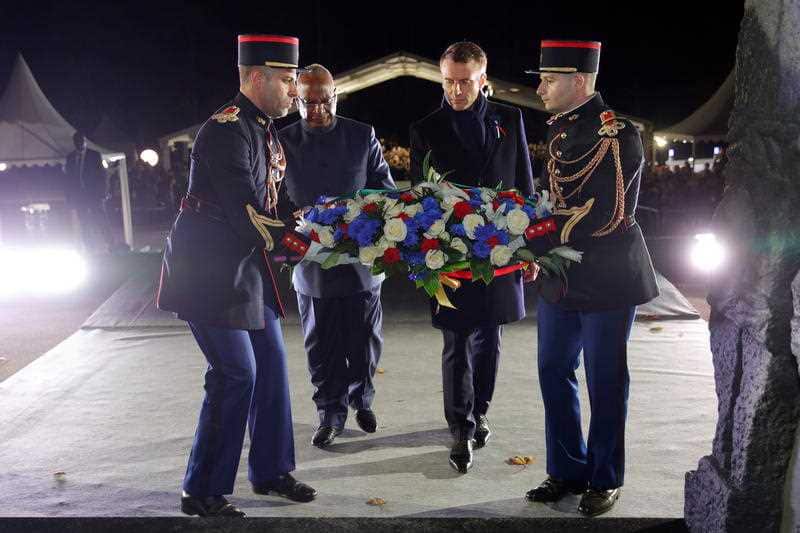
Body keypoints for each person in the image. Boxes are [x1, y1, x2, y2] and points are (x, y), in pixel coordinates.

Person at [156, 34, 316, 518]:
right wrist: (305, 242)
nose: (295, 91)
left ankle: (270, 471)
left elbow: (279, 202)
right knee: (234, 373)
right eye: (287, 81)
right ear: (256, 77)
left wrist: (323, 223)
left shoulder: (264, 129)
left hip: (246, 268)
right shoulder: (226, 129)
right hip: (209, 272)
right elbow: (250, 212)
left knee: (269, 366)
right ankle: (200, 488)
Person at [522, 39, 659, 516]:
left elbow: (602, 215)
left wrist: (525, 239)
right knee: (552, 370)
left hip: (606, 276)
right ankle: (566, 469)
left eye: (548, 79)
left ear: (578, 81)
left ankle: (604, 477)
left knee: (604, 379)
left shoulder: (617, 134)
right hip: (561, 275)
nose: (539, 87)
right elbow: (552, 197)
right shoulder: (562, 132)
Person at [409, 41, 534, 473]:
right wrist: (423, 253)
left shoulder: (510, 119)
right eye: (448, 81)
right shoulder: (425, 127)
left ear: (483, 79)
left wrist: (530, 245)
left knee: (490, 336)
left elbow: (523, 184)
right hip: (448, 252)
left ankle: (480, 411)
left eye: (465, 82)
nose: (456, 90)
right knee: (456, 339)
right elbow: (418, 199)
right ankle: (459, 426)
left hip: (499, 248)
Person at [278, 64, 396, 448]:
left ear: (335, 96)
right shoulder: (281, 141)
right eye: (307, 103)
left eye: (323, 101)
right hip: (310, 262)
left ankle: (362, 399)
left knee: (364, 340)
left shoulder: (362, 136)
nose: (316, 110)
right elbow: (271, 200)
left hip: (360, 259)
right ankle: (329, 412)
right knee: (321, 344)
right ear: (296, 99)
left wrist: (364, 213)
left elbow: (385, 189)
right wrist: (289, 219)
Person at [64, 131, 113, 251]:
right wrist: (69, 198)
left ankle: (110, 243)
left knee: (101, 218)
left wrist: (103, 192)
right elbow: (68, 180)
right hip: (79, 196)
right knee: (84, 222)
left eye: (81, 141)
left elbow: (102, 175)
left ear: (85, 142)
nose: (79, 144)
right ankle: (89, 246)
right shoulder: (70, 158)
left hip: (94, 194)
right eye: (76, 142)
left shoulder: (94, 155)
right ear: (74, 143)